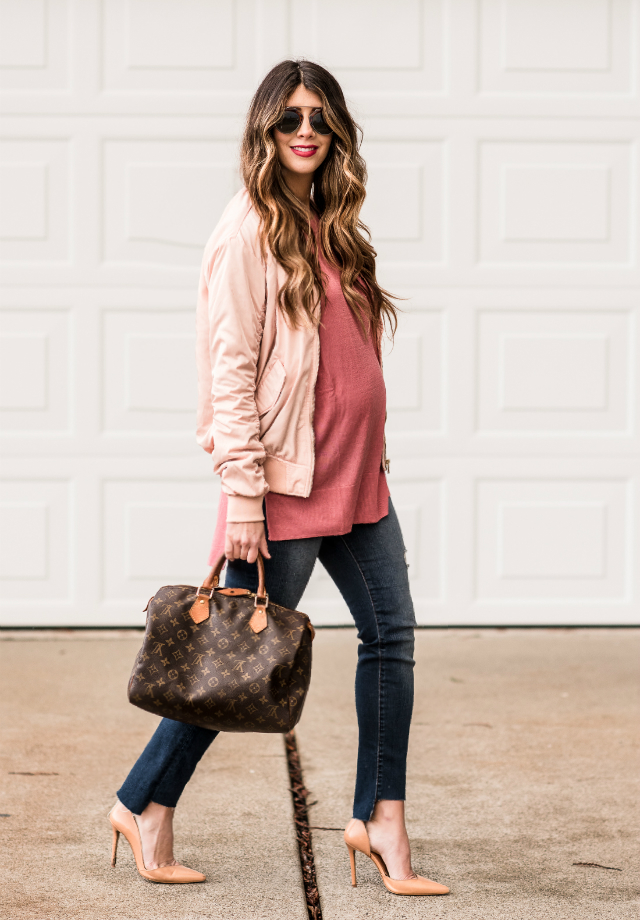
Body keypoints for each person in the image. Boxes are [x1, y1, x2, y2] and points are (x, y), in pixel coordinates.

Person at [109, 59, 449, 898]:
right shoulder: (248, 230)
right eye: (290, 116)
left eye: (320, 117)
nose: (306, 129)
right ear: (265, 130)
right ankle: (142, 801)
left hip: (357, 481)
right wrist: (246, 495)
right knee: (233, 665)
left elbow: (342, 362)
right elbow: (230, 374)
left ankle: (381, 817)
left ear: (336, 133)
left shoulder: (330, 221)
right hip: (284, 488)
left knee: (391, 639)